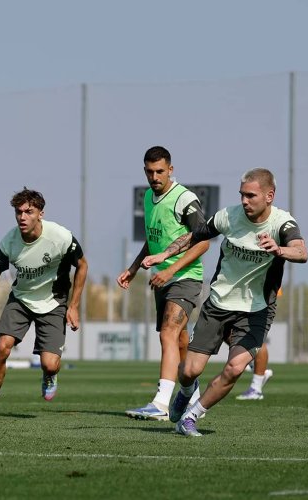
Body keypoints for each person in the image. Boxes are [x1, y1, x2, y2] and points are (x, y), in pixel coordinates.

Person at [143, 168, 307, 437]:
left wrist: (279, 249)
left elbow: (301, 251)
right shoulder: (227, 216)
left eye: (251, 196)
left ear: (269, 196)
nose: (244, 201)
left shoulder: (282, 224)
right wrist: (165, 254)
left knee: (234, 368)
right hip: (218, 304)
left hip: (256, 310)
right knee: (190, 371)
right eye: (242, 195)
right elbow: (194, 235)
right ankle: (186, 391)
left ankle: (191, 417)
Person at [0, 188, 88, 421]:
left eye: (28, 212)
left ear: (41, 214)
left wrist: (73, 306)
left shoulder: (61, 237)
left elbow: (83, 265)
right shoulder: (9, 242)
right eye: (18, 212)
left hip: (54, 302)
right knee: (2, 347)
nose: (22, 217)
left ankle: (49, 375)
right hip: (21, 300)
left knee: (49, 364)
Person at [118, 146, 209, 421]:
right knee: (179, 340)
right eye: (149, 172)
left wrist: (169, 271)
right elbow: (153, 238)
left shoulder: (184, 199)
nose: (154, 177)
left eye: (160, 171)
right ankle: (193, 396)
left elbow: (203, 241)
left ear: (171, 169)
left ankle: (160, 404)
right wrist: (134, 268)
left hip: (185, 277)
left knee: (168, 333)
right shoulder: (148, 197)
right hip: (163, 278)